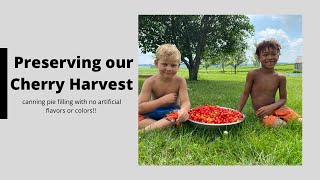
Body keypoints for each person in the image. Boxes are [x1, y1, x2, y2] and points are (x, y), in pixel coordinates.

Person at [237, 39, 302, 128]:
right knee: (281, 125)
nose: (270, 57)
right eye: (265, 55)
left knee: (299, 121)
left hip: (277, 108)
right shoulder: (253, 74)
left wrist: (271, 107)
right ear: (258, 58)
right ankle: (276, 119)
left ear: (278, 56)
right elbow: (245, 94)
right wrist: (237, 113)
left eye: (273, 54)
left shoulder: (280, 77)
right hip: (262, 112)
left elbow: (283, 99)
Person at [138, 44, 191, 131]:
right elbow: (139, 108)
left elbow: (186, 102)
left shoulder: (180, 81)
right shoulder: (150, 82)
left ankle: (145, 130)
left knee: (177, 115)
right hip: (153, 112)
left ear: (178, 66)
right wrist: (163, 100)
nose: (169, 69)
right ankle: (162, 126)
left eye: (173, 65)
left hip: (171, 112)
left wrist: (183, 111)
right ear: (156, 63)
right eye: (165, 64)